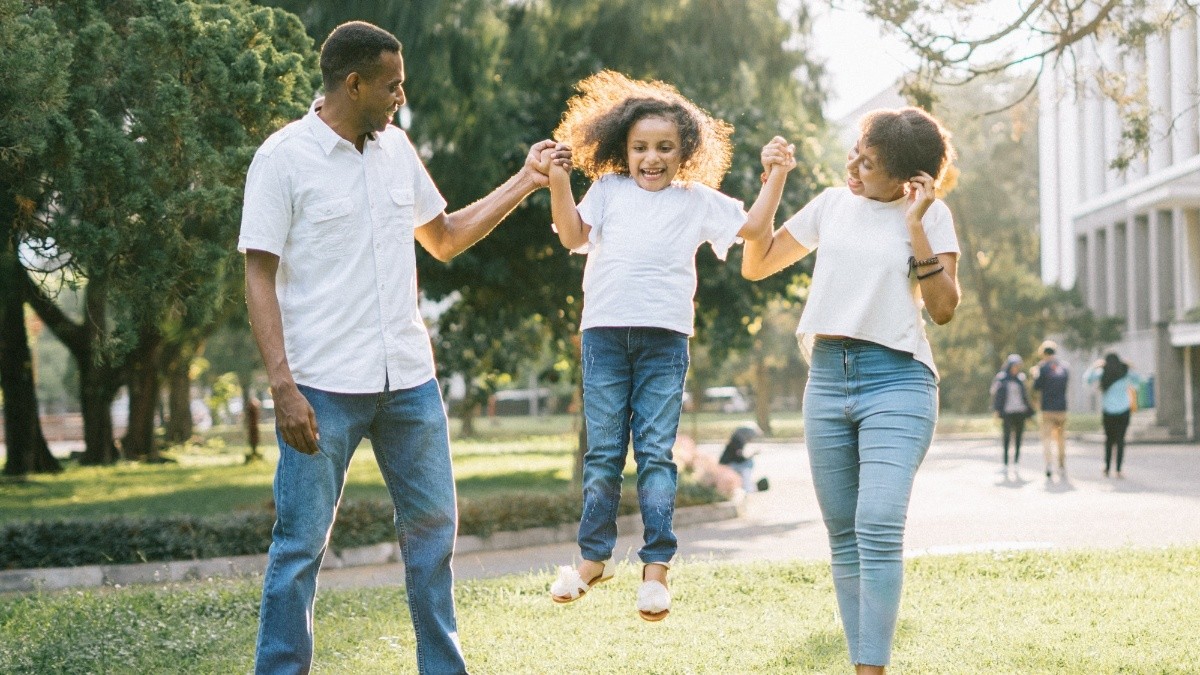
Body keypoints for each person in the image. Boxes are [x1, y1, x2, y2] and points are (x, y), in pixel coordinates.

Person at [238, 21, 568, 674]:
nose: (401, 96)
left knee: (433, 541)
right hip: (321, 389)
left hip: (409, 385)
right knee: (299, 548)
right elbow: (257, 271)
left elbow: (442, 236)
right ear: (352, 83)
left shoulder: (396, 150)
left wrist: (526, 181)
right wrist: (281, 384)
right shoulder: (282, 159)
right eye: (392, 85)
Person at [543, 70, 795, 621]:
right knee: (604, 454)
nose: (651, 158)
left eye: (664, 148)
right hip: (605, 336)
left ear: (686, 153)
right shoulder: (608, 190)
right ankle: (592, 560)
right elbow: (571, 236)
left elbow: (754, 228)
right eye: (640, 148)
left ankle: (656, 569)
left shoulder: (696, 200)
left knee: (656, 453)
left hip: (664, 340)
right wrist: (559, 182)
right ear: (622, 150)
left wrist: (774, 175)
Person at [741, 106, 960, 674]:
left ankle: (872, 669)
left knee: (878, 525)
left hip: (899, 380)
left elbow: (943, 310)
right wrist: (775, 180)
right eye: (857, 150)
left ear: (910, 179)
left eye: (872, 162)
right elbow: (757, 263)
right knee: (843, 537)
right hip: (828, 377)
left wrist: (914, 226)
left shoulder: (932, 217)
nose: (855, 165)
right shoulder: (832, 206)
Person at [1084, 353, 1143, 478]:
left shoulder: (1102, 373)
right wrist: (1131, 366)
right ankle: (1119, 470)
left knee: (1109, 441)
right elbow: (1139, 380)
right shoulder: (1125, 372)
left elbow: (1087, 379)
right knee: (1120, 440)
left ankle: (1106, 468)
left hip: (1108, 412)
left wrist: (1094, 366)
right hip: (1123, 411)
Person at [1032, 339, 1070, 480]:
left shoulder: (1042, 368)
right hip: (1062, 408)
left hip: (1047, 408)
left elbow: (1036, 387)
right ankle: (1061, 464)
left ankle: (1049, 464)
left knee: (1047, 438)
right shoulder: (1064, 367)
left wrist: (1035, 373)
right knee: (1061, 438)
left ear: (1043, 353)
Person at [990, 354, 1033, 471]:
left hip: (1020, 412)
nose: (1015, 368)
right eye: (1014, 366)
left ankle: (1016, 462)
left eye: (1017, 366)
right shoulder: (1002, 378)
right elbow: (996, 395)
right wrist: (996, 410)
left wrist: (1030, 412)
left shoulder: (1021, 378)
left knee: (1019, 438)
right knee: (1006, 437)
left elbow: (1025, 396)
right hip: (1007, 412)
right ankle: (1005, 463)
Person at [719, 423, 769, 493]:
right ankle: (747, 486)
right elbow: (739, 458)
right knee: (749, 463)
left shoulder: (737, 438)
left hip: (730, 464)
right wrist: (752, 455)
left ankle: (746, 484)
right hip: (727, 465)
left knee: (748, 463)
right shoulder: (738, 440)